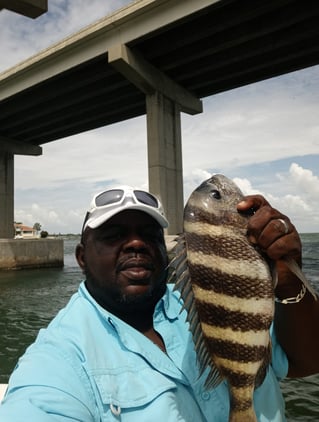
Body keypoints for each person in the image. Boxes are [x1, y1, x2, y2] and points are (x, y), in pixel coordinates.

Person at [0, 185, 318, 422]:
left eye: (150, 234)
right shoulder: (59, 359)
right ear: (81, 257)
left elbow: (307, 362)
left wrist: (289, 279)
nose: (136, 243)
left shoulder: (213, 301)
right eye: (114, 235)